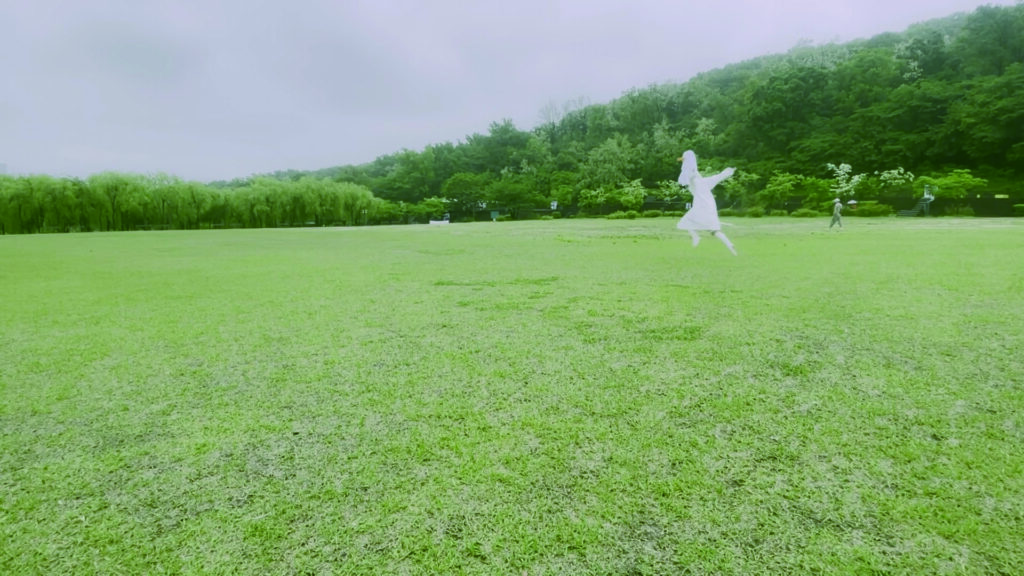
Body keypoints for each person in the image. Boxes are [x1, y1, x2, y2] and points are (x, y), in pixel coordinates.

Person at [675, 150, 737, 255]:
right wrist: (728, 172)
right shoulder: (700, 179)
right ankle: (729, 244)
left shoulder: (692, 175)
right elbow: (716, 178)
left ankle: (696, 237)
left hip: (701, 205)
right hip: (709, 205)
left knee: (685, 221)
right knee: (713, 230)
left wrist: (684, 161)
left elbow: (684, 179)